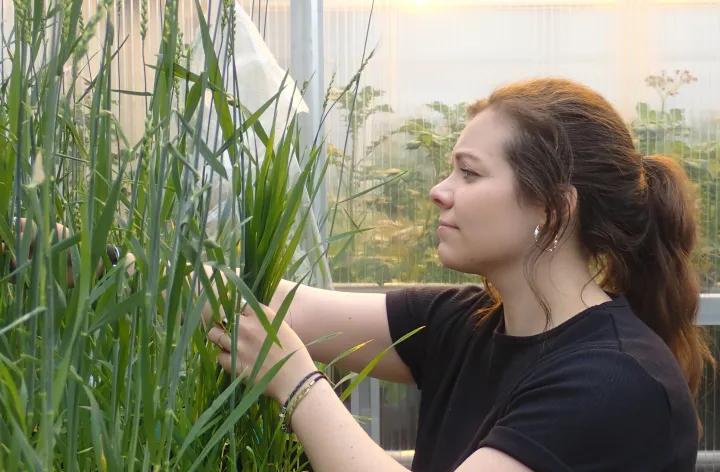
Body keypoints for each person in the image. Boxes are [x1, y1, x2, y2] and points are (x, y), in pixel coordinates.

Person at [5, 77, 713, 471]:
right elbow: (248, 305)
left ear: (553, 211)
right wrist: (48, 244)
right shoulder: (464, 324)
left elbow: (285, 349)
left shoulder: (618, 382)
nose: (438, 191)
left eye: (468, 173)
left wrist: (296, 382)